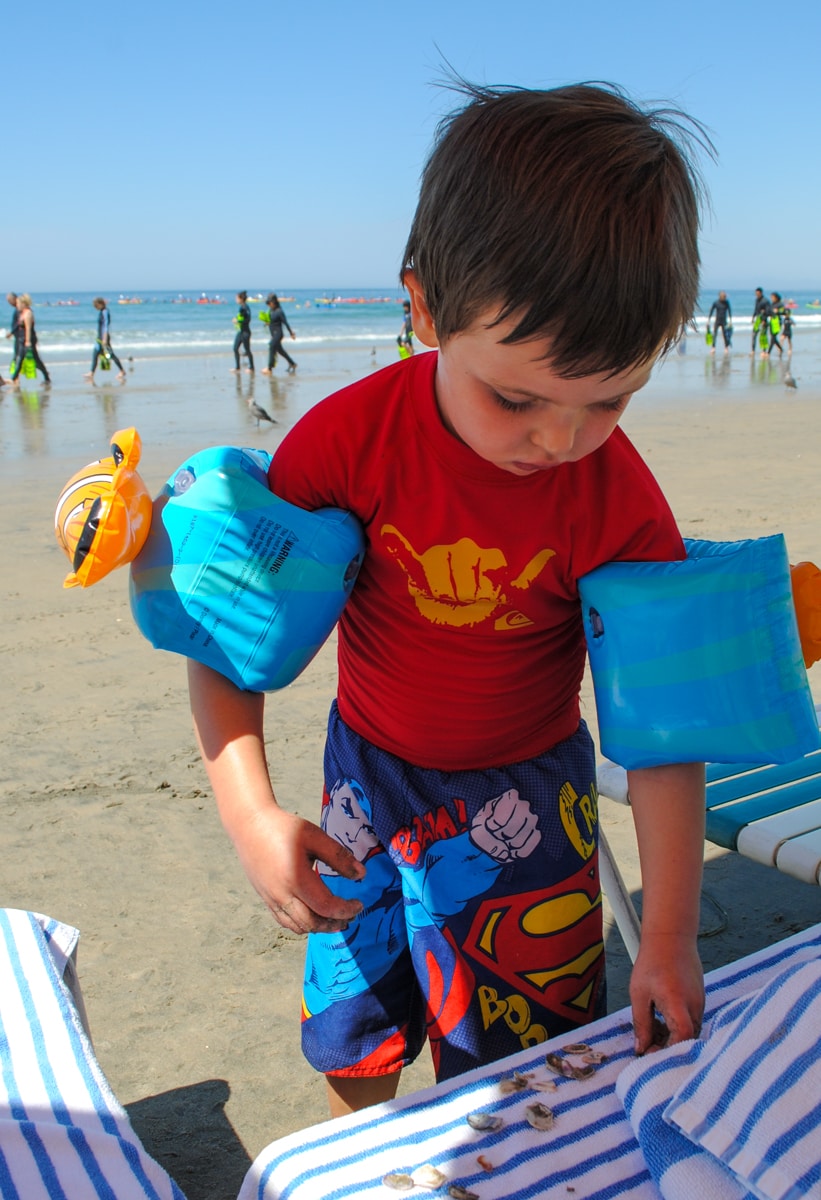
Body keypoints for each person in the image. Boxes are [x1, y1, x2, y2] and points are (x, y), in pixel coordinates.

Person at [188, 81, 707, 1118]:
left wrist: (667, 934)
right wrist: (249, 815)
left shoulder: (620, 502)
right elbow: (229, 638)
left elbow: (659, 737)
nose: (558, 441)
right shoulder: (344, 446)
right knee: (357, 1027)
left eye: (607, 399)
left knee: (522, 1062)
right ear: (422, 309)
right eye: (514, 398)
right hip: (363, 782)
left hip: (532, 799)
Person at [9, 294, 50, 384]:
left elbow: (28, 328)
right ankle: (46, 376)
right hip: (22, 339)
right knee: (27, 359)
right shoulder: (22, 312)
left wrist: (28, 341)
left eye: (19, 303)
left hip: (28, 340)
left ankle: (12, 379)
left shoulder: (28, 313)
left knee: (23, 360)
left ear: (24, 304)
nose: (17, 305)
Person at [85, 298, 126, 381]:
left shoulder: (105, 312)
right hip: (99, 337)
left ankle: (122, 371)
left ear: (100, 304)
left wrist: (105, 338)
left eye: (96, 306)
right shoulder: (101, 312)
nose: (95, 308)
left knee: (110, 355)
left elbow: (106, 326)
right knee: (95, 354)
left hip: (104, 337)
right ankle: (91, 373)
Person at [260, 293, 297, 374]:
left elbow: (285, 323)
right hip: (273, 334)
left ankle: (269, 368)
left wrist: (291, 333)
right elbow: (272, 322)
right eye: (268, 303)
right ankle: (293, 363)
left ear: (274, 302)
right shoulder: (271, 311)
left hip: (278, 333)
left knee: (271, 346)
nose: (268, 305)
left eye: (269, 303)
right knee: (280, 350)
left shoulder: (279, 311)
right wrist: (267, 323)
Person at [232, 291, 254, 373]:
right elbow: (241, 318)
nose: (236, 300)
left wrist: (238, 322)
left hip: (246, 332)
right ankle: (237, 367)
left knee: (247, 350)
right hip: (241, 331)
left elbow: (248, 319)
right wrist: (237, 320)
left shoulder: (245, 307)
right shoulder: (241, 307)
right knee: (235, 348)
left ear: (241, 299)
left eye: (237, 298)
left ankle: (252, 367)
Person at [751, 287, 771, 355]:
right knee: (754, 334)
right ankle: (753, 350)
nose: (757, 295)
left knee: (763, 336)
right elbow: (756, 309)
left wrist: (764, 320)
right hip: (758, 319)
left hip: (764, 319)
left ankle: (764, 350)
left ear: (761, 293)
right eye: (756, 293)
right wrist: (753, 318)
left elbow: (768, 311)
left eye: (758, 293)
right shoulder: (756, 300)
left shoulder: (765, 301)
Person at [768, 292, 787, 358]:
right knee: (773, 338)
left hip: (777, 322)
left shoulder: (780, 304)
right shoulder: (772, 304)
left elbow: (784, 312)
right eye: (771, 297)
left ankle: (768, 352)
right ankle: (781, 349)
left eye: (773, 297)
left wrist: (778, 311)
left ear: (776, 297)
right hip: (772, 322)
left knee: (773, 337)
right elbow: (769, 312)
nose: (772, 299)